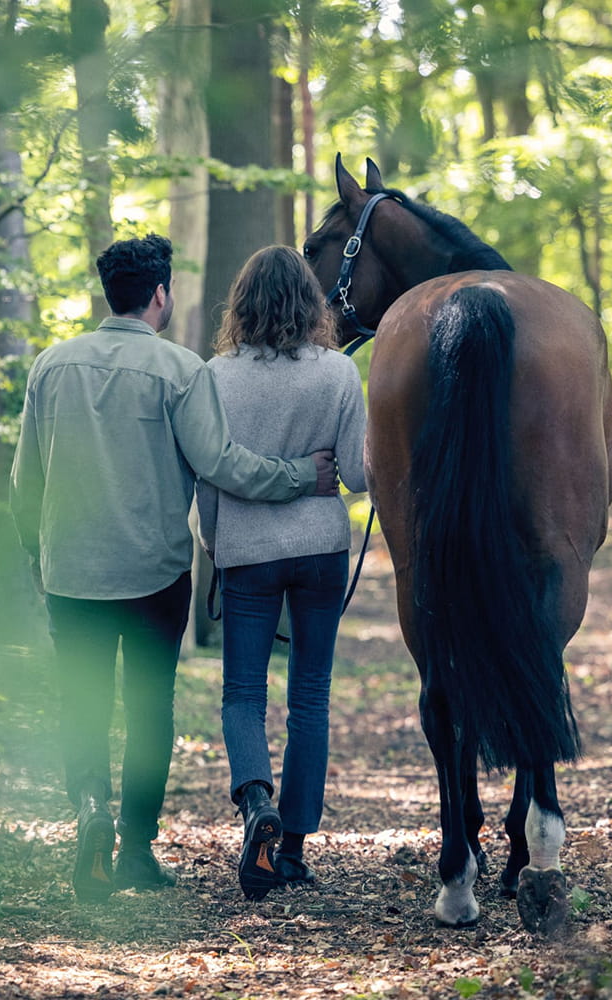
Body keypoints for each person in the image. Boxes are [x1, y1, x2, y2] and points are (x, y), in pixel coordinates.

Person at [9, 234, 338, 904]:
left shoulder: (51, 367)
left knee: (83, 702)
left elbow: (25, 482)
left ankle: (89, 810)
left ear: (111, 294)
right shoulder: (180, 370)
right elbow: (223, 466)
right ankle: (135, 851)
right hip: (155, 573)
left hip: (71, 572)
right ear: (160, 294)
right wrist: (300, 475)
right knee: (149, 711)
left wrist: (36, 554)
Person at [196, 245, 366, 900]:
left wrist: (216, 543)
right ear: (309, 302)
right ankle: (291, 846)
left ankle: (257, 805)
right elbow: (355, 473)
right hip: (321, 547)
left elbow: (210, 476)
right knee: (311, 696)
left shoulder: (216, 375)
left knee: (242, 691)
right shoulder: (338, 374)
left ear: (242, 304)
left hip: (247, 551)